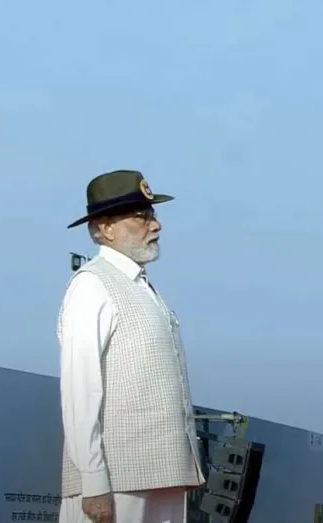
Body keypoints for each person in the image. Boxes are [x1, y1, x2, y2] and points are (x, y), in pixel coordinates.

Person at [58, 169, 204, 523]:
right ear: (106, 227)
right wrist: (93, 480)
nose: (155, 225)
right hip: (116, 481)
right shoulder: (92, 285)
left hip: (161, 475)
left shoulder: (143, 288)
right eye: (141, 216)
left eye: (152, 214)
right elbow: (80, 390)